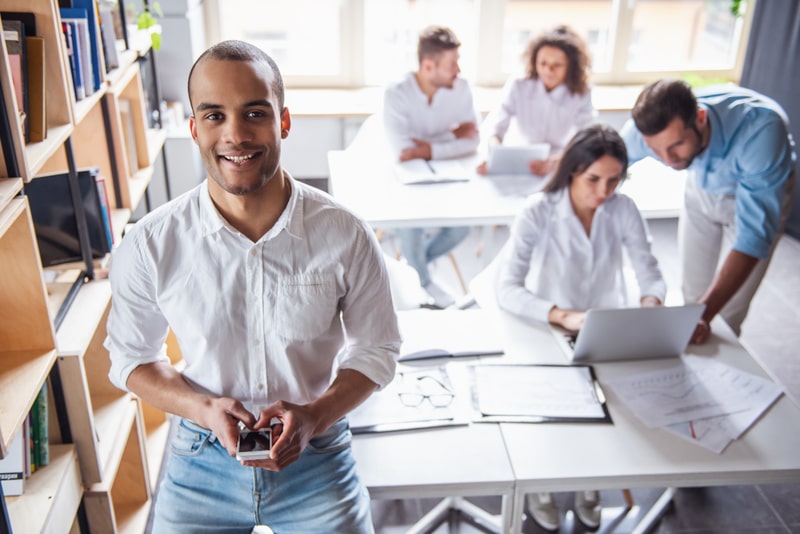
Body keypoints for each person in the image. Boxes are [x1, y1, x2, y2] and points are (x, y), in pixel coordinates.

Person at [104, 40, 401, 533]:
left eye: (255, 113)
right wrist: (202, 408)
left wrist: (315, 415)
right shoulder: (151, 243)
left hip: (318, 453)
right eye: (215, 116)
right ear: (195, 128)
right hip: (199, 460)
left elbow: (377, 349)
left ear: (284, 121)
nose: (236, 135)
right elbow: (130, 358)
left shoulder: (345, 232)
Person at [496, 124, 666, 530]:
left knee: (610, 410)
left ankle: (590, 482)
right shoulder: (537, 211)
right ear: (572, 170)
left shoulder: (622, 209)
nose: (603, 192)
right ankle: (543, 485)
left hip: (606, 326)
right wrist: (563, 315)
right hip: (546, 325)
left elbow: (651, 272)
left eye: (614, 180)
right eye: (593, 179)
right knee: (557, 413)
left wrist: (651, 303)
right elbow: (507, 289)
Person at [621, 79, 796, 343]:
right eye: (656, 150)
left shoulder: (763, 131)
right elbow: (601, 156)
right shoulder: (646, 126)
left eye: (676, 145)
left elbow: (752, 240)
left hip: (758, 191)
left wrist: (704, 314)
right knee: (693, 295)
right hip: (702, 186)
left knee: (724, 313)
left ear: (700, 118)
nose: (667, 160)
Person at [383, 25, 479, 308]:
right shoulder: (397, 93)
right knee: (411, 220)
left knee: (463, 224)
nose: (458, 70)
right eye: (452, 64)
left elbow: (473, 140)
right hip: (405, 178)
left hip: (448, 175)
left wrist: (428, 148)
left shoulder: (461, 89)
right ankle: (424, 286)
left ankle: (417, 272)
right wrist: (451, 137)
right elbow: (403, 152)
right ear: (428, 65)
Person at [477, 25, 595, 177]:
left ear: (571, 67)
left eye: (557, 65)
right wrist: (496, 154)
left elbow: (585, 137)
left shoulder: (581, 92)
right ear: (534, 62)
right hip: (518, 160)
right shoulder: (519, 85)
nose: (548, 70)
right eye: (543, 63)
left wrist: (559, 161)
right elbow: (496, 127)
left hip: (559, 163)